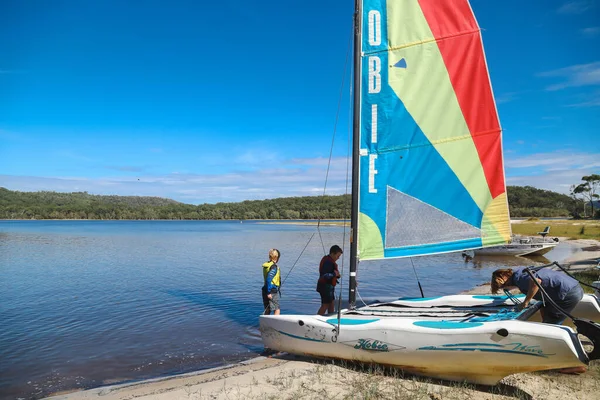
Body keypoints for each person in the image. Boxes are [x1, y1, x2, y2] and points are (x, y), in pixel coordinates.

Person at [491, 267, 587, 374]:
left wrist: (526, 302)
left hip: (567, 294)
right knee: (545, 314)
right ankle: (548, 347)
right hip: (571, 288)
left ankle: (577, 364)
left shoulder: (519, 279)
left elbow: (536, 282)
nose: (506, 287)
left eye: (504, 285)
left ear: (505, 277)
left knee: (551, 330)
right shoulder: (520, 272)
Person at [316, 245, 342, 315]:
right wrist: (334, 274)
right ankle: (317, 319)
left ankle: (330, 317)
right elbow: (325, 276)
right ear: (333, 254)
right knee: (325, 305)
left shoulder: (330, 261)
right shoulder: (328, 262)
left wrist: (337, 275)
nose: (338, 258)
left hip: (329, 287)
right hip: (325, 287)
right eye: (337, 256)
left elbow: (332, 274)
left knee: (331, 304)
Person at [262, 249, 281, 315]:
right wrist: (269, 292)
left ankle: (265, 324)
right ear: (277, 257)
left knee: (268, 309)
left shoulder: (267, 265)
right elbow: (268, 279)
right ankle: (275, 324)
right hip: (271, 290)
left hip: (265, 288)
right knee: (277, 309)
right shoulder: (273, 267)